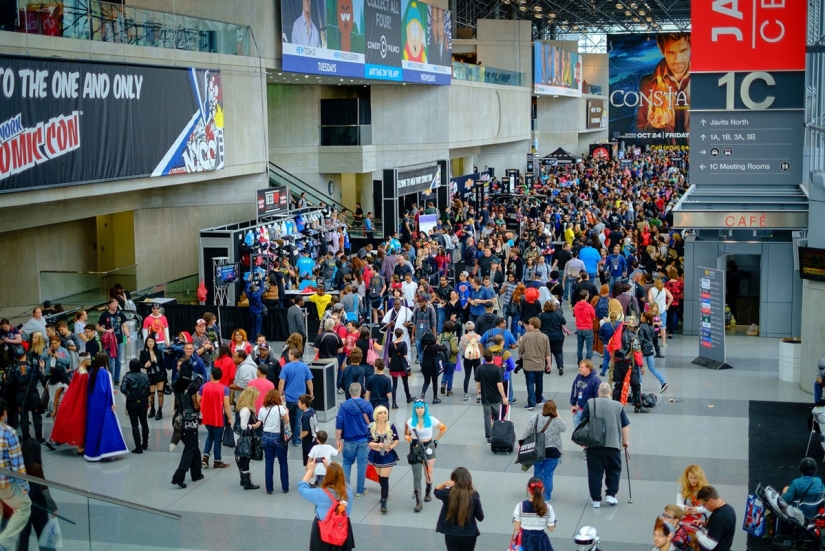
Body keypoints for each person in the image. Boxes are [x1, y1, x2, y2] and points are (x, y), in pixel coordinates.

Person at [635, 32, 691, 141]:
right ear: (663, 52)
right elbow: (637, 132)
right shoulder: (647, 84)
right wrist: (653, 127)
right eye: (671, 52)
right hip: (663, 152)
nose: (677, 59)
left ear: (691, 49)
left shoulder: (705, 78)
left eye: (683, 51)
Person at [583, 382, 629, 508]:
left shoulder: (590, 403)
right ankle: (611, 495)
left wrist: (584, 441)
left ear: (598, 392)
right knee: (614, 470)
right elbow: (625, 425)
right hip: (613, 444)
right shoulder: (618, 406)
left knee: (594, 472)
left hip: (594, 445)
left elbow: (583, 423)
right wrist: (625, 441)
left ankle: (596, 499)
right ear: (610, 393)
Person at [298, 461, 356, 550]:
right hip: (342, 528)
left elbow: (302, 488)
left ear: (327, 477)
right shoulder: (348, 490)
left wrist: (310, 470)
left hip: (323, 531)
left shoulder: (320, 494)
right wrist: (329, 467)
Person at [0, 397, 31, 551]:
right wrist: (24, 486)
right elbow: (17, 465)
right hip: (4, 484)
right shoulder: (9, 433)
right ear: (3, 413)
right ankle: (3, 543)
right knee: (25, 506)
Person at [84, 352, 128, 461]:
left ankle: (91, 451)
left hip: (93, 406)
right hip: (104, 405)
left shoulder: (92, 372)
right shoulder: (106, 373)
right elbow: (105, 391)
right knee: (108, 427)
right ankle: (108, 450)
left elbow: (97, 389)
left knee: (94, 427)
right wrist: (113, 403)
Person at [405, 399, 447, 512]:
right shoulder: (410, 422)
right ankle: (418, 501)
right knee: (417, 475)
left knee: (428, 471)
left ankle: (428, 491)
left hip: (428, 447)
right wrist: (411, 440)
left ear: (425, 408)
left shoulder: (431, 420)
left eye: (421, 408)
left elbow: (443, 428)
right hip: (415, 448)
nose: (419, 410)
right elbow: (406, 435)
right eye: (417, 408)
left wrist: (436, 440)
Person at [521, 400, 566, 501]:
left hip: (537, 451)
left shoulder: (535, 417)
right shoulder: (557, 420)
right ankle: (547, 497)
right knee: (548, 475)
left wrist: (522, 444)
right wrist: (558, 415)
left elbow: (526, 432)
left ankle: (536, 495)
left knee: (537, 472)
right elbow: (564, 428)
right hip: (553, 452)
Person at [18, 438, 57, 551]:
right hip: (37, 504)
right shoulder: (36, 468)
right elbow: (43, 488)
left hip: (22, 505)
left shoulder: (18, 466)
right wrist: (53, 507)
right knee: (43, 533)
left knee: (23, 536)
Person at [335, 382, 374, 497]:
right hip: (363, 439)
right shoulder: (367, 405)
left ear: (350, 392)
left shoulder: (343, 406)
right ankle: (360, 490)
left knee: (347, 462)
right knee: (362, 464)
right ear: (361, 391)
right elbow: (373, 423)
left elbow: (339, 423)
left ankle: (345, 490)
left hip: (348, 440)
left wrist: (338, 439)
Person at [434, 467, 485, 551]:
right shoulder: (474, 496)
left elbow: (436, 491)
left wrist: (445, 483)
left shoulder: (447, 494)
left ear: (453, 480)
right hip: (469, 534)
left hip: (451, 533)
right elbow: (480, 517)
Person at [47, 352, 89, 453]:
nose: (90, 360)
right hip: (77, 401)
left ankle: (53, 438)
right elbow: (83, 389)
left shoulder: (78, 370)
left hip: (63, 402)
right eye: (88, 359)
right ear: (83, 360)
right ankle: (80, 446)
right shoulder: (83, 373)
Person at [170, 369, 204, 489]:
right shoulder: (191, 386)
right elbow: (195, 405)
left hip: (179, 418)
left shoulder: (175, 384)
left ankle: (196, 473)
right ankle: (179, 475)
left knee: (193, 446)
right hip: (190, 420)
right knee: (191, 447)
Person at [279, 346, 314, 447]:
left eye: (289, 354)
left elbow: (281, 382)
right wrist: (311, 394)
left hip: (289, 398)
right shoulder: (304, 367)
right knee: (299, 419)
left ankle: (294, 437)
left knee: (292, 418)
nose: (288, 355)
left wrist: (280, 394)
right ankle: (297, 439)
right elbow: (309, 381)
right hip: (301, 399)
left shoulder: (286, 367)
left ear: (293, 355)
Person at [367, 405, 400, 513]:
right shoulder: (371, 426)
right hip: (376, 455)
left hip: (387, 455)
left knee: (385, 479)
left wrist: (391, 446)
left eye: (385, 413)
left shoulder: (390, 425)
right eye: (380, 413)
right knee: (380, 478)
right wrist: (377, 445)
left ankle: (384, 501)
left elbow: (396, 439)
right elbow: (369, 442)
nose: (383, 415)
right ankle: (384, 492)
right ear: (376, 414)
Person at [199, 367, 234, 469]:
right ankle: (217, 460)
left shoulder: (203, 387)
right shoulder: (224, 389)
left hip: (206, 416)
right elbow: (226, 405)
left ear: (211, 375)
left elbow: (198, 399)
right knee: (217, 439)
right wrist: (230, 417)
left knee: (210, 435)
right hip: (218, 417)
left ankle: (205, 456)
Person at [258, 389, 291, 494]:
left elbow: (261, 422)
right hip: (278, 437)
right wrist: (287, 413)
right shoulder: (280, 408)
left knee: (268, 463)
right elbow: (286, 421)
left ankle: (269, 488)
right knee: (283, 462)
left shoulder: (262, 409)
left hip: (266, 437)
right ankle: (285, 487)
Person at [512, 477, 557, 551]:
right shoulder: (547, 507)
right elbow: (551, 528)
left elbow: (517, 527)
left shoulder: (520, 506)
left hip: (524, 540)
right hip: (541, 541)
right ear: (542, 490)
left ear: (528, 489)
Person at [518, 317, 553, 411]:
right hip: (540, 364)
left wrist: (520, 357)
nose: (528, 325)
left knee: (530, 383)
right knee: (539, 382)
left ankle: (531, 402)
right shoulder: (545, 337)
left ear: (532, 325)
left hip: (528, 364)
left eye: (529, 324)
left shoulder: (526, 336)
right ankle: (538, 398)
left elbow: (521, 350)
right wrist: (549, 364)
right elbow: (548, 353)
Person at [475, 350, 508, 443]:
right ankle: (496, 433)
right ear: (492, 357)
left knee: (487, 416)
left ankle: (488, 436)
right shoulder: (497, 369)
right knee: (496, 415)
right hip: (496, 397)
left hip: (485, 397)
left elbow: (477, 382)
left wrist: (478, 391)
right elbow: (499, 385)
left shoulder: (480, 368)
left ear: (484, 358)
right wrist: (504, 396)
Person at [96, 297, 131, 385]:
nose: (115, 305)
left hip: (119, 340)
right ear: (109, 305)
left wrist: (127, 336)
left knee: (118, 361)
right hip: (109, 341)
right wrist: (105, 330)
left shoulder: (120, 314)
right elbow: (98, 326)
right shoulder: (105, 315)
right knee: (110, 361)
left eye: (116, 304)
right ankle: (110, 378)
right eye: (113, 304)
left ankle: (117, 379)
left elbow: (124, 326)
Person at [234, 386, 262, 490]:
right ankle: (246, 481)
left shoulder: (241, 407)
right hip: (244, 436)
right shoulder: (246, 410)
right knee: (245, 457)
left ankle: (244, 478)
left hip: (239, 435)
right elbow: (244, 426)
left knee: (243, 457)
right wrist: (254, 426)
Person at [121, 358, 150, 454]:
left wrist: (129, 394)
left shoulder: (127, 377)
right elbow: (149, 390)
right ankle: (145, 443)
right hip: (143, 401)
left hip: (132, 402)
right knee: (144, 422)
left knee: (134, 424)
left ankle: (138, 446)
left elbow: (123, 389)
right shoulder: (145, 376)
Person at [694, 486, 736, 551]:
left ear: (711, 500)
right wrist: (706, 525)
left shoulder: (719, 517)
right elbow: (720, 529)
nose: (704, 507)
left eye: (704, 504)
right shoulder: (729, 509)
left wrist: (697, 532)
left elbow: (709, 544)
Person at [387, 328, 415, 407]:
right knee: (405, 383)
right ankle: (408, 397)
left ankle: (394, 402)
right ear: (401, 334)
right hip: (402, 365)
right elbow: (405, 356)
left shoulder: (391, 344)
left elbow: (389, 357)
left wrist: (390, 365)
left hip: (394, 365)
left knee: (394, 385)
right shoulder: (403, 344)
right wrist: (408, 366)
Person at [141, 335, 166, 420]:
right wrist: (145, 366)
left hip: (160, 374)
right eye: (148, 341)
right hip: (150, 375)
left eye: (152, 341)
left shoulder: (158, 351)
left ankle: (160, 410)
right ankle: (152, 409)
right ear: (146, 343)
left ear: (154, 342)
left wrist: (165, 376)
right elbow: (140, 364)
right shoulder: (143, 352)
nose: (150, 343)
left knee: (160, 393)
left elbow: (162, 364)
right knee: (151, 395)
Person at [570, 360, 601, 427]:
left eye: (582, 367)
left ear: (588, 368)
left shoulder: (595, 381)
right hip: (579, 409)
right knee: (577, 429)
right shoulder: (578, 377)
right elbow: (574, 390)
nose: (579, 369)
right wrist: (573, 404)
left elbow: (597, 398)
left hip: (589, 412)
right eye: (579, 367)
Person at [419, 331, 446, 404]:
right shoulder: (436, 347)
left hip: (425, 365)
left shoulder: (424, 346)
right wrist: (439, 343)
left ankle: (422, 396)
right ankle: (435, 397)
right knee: (435, 382)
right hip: (434, 366)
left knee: (426, 381)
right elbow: (445, 349)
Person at [573, 290, 596, 363]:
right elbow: (593, 316)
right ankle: (588, 362)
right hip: (588, 328)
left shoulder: (576, 306)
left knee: (580, 346)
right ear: (586, 297)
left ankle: (579, 361)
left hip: (579, 328)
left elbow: (575, 314)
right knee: (589, 347)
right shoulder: (589, 306)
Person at [438, 321, 460, 396]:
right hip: (451, 359)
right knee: (450, 374)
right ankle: (449, 389)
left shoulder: (441, 336)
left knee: (444, 372)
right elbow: (454, 349)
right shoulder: (453, 338)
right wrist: (458, 350)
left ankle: (443, 384)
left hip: (443, 358)